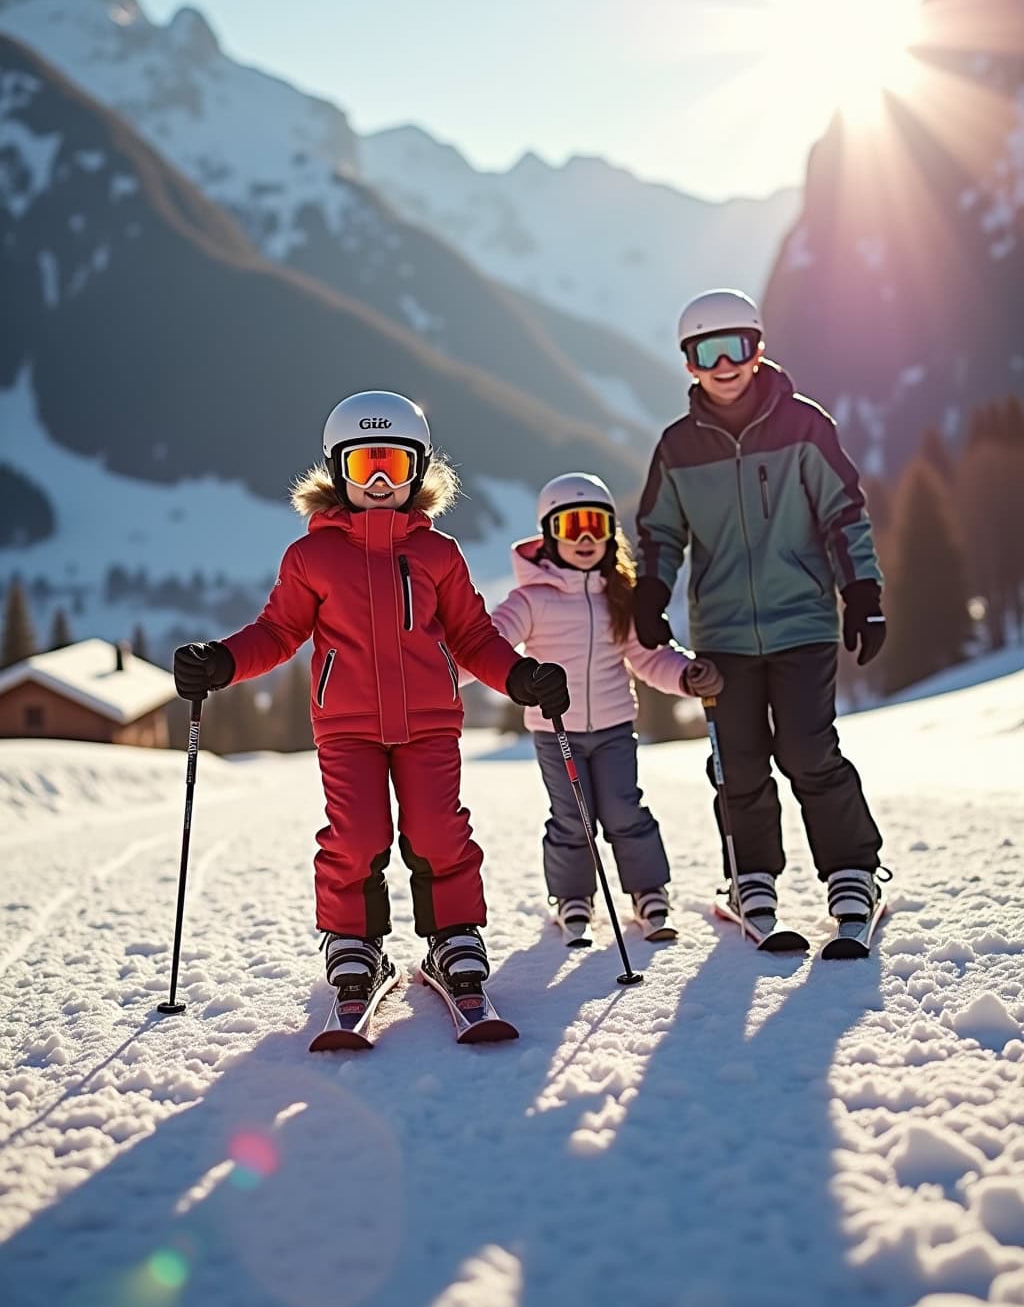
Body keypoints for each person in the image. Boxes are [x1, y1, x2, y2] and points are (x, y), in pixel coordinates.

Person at [173, 391, 569, 1010]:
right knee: (355, 835)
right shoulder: (312, 557)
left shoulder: (439, 553)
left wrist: (519, 678)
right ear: (337, 472)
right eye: (363, 467)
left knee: (439, 830)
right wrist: (222, 660)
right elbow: (279, 631)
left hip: (429, 720)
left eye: (395, 464)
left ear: (420, 470)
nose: (380, 481)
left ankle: (451, 935)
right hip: (348, 724)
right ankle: (354, 941)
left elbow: (471, 636)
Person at [634, 289, 887, 937]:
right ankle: (752, 877)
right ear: (688, 363)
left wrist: (863, 592)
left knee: (808, 750)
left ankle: (852, 871)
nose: (724, 365)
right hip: (723, 635)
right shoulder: (678, 447)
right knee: (737, 761)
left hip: (802, 620)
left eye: (736, 348)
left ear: (758, 349)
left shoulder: (806, 426)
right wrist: (652, 594)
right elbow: (661, 533)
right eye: (706, 352)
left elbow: (844, 514)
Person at [482, 472, 722, 947]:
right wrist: (441, 668)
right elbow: (486, 645)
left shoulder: (620, 595)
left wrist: (685, 674)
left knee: (623, 809)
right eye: (574, 527)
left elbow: (647, 657)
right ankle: (573, 898)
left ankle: (649, 893)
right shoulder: (530, 600)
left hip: (614, 726)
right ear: (551, 534)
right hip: (556, 731)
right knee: (572, 817)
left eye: (597, 524)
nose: (587, 538)